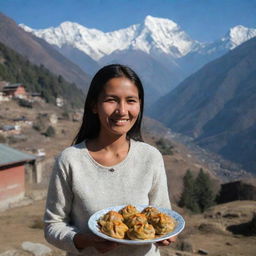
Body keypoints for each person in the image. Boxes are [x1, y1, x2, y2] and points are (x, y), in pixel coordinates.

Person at [44, 64, 175, 256]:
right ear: (94, 105)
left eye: (131, 101)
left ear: (140, 105)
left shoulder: (151, 157)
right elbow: (53, 226)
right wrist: (85, 241)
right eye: (111, 100)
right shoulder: (71, 160)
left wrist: (167, 235)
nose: (122, 111)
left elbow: (163, 215)